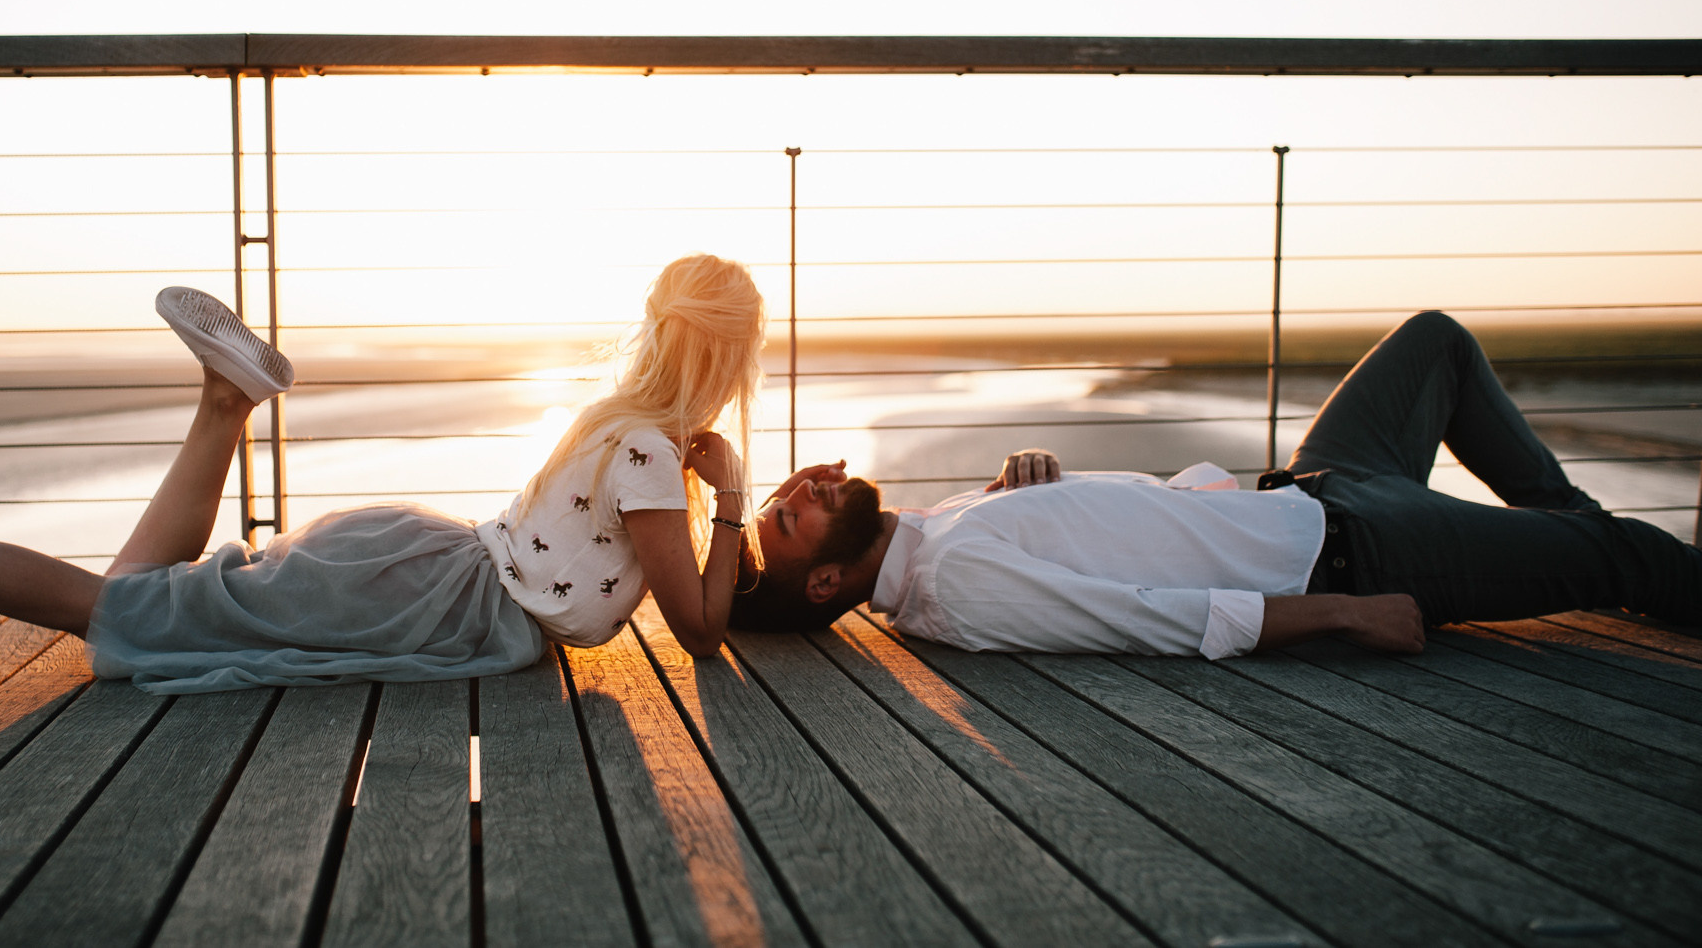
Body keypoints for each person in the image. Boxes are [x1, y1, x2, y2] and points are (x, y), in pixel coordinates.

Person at [0, 253, 822, 692]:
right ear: (729, 359)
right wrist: (730, 503)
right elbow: (696, 627)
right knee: (113, 609)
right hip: (420, 593)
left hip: (419, 573)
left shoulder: (621, 426)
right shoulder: (647, 452)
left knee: (135, 598)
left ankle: (222, 404)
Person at [729, 311, 1702, 657]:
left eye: (783, 490)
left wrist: (1012, 494)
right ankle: (1585, 545)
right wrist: (1345, 617)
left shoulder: (940, 535)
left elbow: (1111, 541)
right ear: (823, 583)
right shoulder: (954, 586)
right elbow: (1154, 617)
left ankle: (1568, 535)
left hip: (1316, 487)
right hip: (1356, 551)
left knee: (1432, 342)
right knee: (1631, 554)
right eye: (785, 515)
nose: (802, 483)